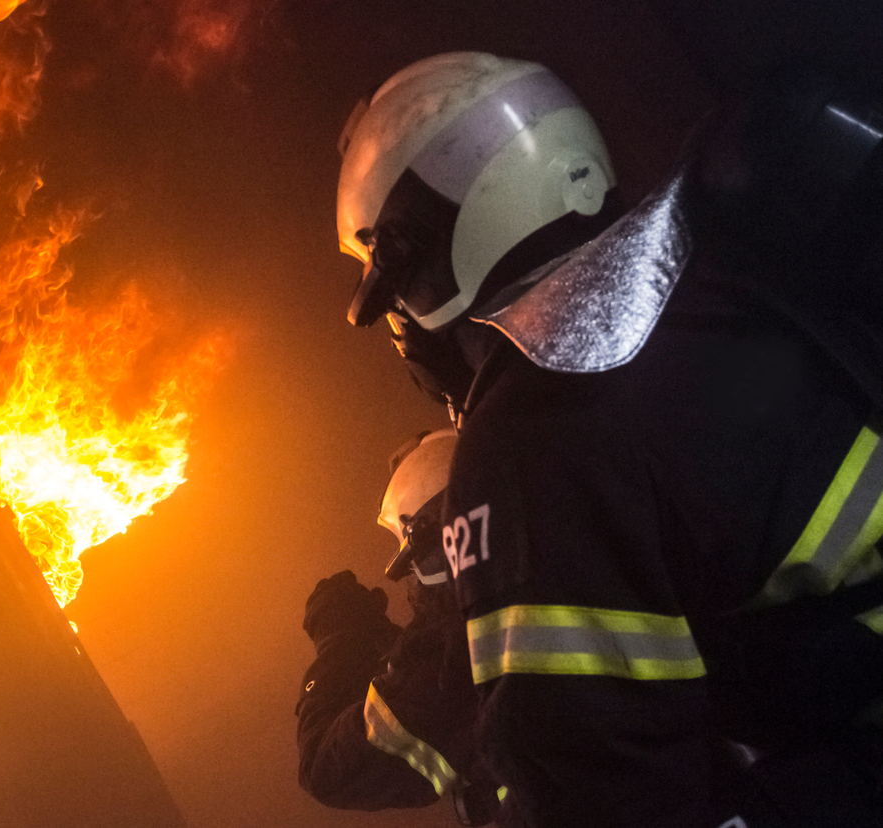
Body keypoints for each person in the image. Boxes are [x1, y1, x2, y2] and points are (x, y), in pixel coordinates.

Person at [333, 51, 883, 827]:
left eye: (387, 282)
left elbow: (596, 791)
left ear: (419, 253)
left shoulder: (535, 436)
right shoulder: (707, 277)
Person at [297, 428, 502, 826]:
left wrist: (339, 643)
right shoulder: (567, 566)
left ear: (435, 547)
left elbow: (327, 771)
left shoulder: (460, 653)